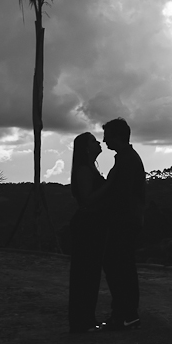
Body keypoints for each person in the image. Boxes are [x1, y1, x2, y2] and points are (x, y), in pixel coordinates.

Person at [100, 117, 146, 330]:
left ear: (117, 136)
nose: (103, 140)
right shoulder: (126, 158)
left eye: (107, 136)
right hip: (126, 219)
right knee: (120, 266)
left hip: (124, 220)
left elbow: (122, 195)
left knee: (119, 266)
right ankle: (124, 313)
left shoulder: (127, 160)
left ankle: (126, 313)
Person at [67, 132, 107, 333]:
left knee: (90, 273)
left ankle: (86, 319)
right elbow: (87, 199)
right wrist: (109, 186)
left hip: (92, 223)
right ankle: (83, 321)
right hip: (87, 225)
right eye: (94, 141)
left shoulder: (90, 168)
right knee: (85, 273)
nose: (98, 142)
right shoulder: (84, 170)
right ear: (86, 148)